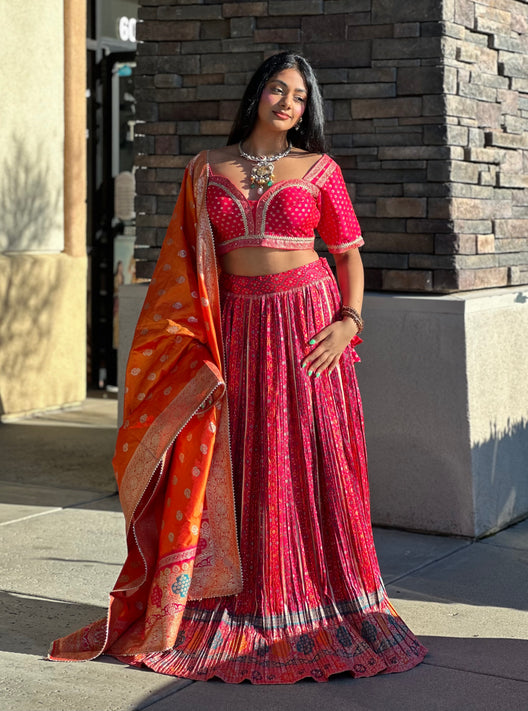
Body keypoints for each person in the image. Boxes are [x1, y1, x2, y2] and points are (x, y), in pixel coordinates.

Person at [50, 51, 427, 683]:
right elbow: (181, 268)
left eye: (300, 98)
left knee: (306, 462)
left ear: (308, 111)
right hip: (237, 334)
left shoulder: (320, 170)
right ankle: (233, 602)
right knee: (245, 466)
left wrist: (348, 322)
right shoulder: (207, 169)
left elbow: (349, 257)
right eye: (278, 90)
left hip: (310, 331)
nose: (287, 103)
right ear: (258, 93)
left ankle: (313, 604)